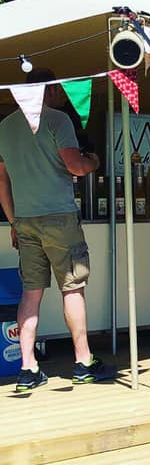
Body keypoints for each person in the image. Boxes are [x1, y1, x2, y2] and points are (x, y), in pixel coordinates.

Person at [0, 69, 112, 392]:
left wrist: (13, 221)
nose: (62, 95)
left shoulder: (4, 126)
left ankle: (27, 368)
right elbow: (75, 166)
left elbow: (2, 181)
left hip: (25, 220)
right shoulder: (58, 120)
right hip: (60, 217)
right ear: (47, 91)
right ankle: (83, 361)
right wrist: (93, 161)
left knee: (30, 293)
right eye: (58, 90)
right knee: (72, 288)